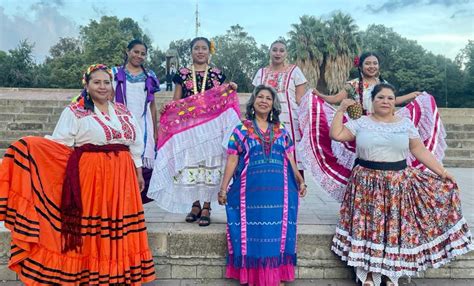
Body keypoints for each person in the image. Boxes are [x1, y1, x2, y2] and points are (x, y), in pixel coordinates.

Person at [0, 64, 156, 285]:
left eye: (106, 82)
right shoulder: (75, 111)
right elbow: (59, 146)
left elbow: (136, 144)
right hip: (91, 178)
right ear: (87, 85)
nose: (102, 87)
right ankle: (91, 275)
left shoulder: (123, 111)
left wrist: (138, 171)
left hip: (124, 177)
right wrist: (28, 147)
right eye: (96, 82)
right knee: (94, 228)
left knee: (118, 224)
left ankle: (117, 275)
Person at [330, 83, 473, 286]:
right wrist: (341, 109)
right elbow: (337, 135)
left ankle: (390, 274)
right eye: (380, 97)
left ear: (394, 101)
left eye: (389, 98)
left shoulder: (405, 124)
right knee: (369, 229)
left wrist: (443, 172)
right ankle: (368, 275)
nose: (385, 101)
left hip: (397, 185)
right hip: (365, 185)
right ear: (373, 100)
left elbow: (420, 151)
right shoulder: (361, 122)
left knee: (393, 229)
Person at [298, 51, 446, 201]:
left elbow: (391, 99)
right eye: (368, 63)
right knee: (358, 165)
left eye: (375, 63)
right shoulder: (353, 85)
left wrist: (411, 96)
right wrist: (320, 96)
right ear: (361, 66)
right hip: (361, 128)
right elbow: (336, 98)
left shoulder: (384, 84)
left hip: (384, 122)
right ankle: (355, 198)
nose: (372, 66)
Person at [219, 85, 307, 286]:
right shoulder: (241, 128)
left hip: (279, 190)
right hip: (251, 191)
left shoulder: (281, 129)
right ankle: (254, 276)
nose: (264, 100)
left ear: (273, 104)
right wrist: (224, 188)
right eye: (260, 97)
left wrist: (300, 180)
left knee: (275, 232)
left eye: (268, 98)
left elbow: (290, 156)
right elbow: (232, 159)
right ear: (253, 101)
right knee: (254, 232)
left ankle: (274, 275)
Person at [148, 37, 240, 227]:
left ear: (209, 52)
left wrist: (230, 88)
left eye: (203, 48)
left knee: (210, 163)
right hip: (188, 129)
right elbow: (177, 100)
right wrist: (169, 108)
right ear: (190, 51)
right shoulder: (182, 74)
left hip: (210, 129)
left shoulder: (217, 74)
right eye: (196, 48)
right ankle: (195, 205)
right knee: (191, 163)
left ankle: (207, 206)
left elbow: (221, 100)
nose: (200, 51)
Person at [112, 39, 160, 204]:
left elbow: (152, 105)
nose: (139, 56)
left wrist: (155, 129)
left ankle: (136, 208)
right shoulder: (114, 73)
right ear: (128, 51)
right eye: (136, 52)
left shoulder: (150, 76)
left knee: (142, 168)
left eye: (143, 53)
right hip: (119, 123)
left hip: (142, 124)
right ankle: (121, 205)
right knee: (121, 164)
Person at [252, 40, 307, 172]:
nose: (278, 53)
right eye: (275, 50)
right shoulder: (261, 72)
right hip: (264, 122)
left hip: (291, 123)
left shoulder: (295, 71)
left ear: (286, 53)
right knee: (267, 160)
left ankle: (295, 191)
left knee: (292, 161)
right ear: (269, 52)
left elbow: (301, 100)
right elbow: (255, 99)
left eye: (281, 50)